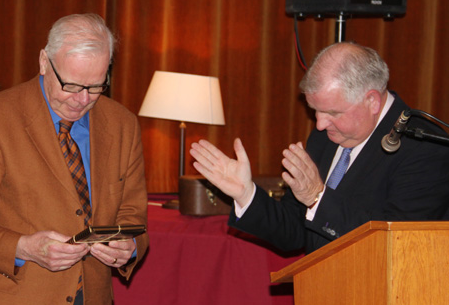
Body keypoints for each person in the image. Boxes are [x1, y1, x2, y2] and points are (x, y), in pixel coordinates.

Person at [0, 14, 148, 305]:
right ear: (44, 61)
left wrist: (129, 246)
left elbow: (133, 215)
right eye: (70, 85)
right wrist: (24, 247)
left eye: (96, 87)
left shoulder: (122, 124)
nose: (81, 100)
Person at [190, 42, 449, 254]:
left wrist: (317, 196)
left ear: (371, 101)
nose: (320, 124)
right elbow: (295, 232)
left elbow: (397, 244)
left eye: (332, 112)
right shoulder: (325, 137)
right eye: (315, 111)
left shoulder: (424, 146)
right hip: (321, 297)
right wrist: (246, 194)